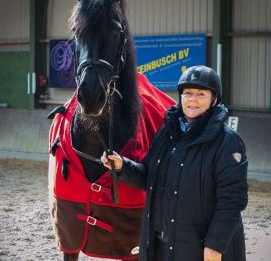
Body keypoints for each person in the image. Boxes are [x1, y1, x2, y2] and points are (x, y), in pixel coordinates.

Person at [102, 65, 248, 261]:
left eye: (200, 94)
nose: (192, 99)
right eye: (188, 93)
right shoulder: (166, 133)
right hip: (161, 247)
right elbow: (149, 177)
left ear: (214, 100)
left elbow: (232, 200)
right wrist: (122, 166)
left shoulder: (228, 142)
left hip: (202, 251)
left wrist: (215, 245)